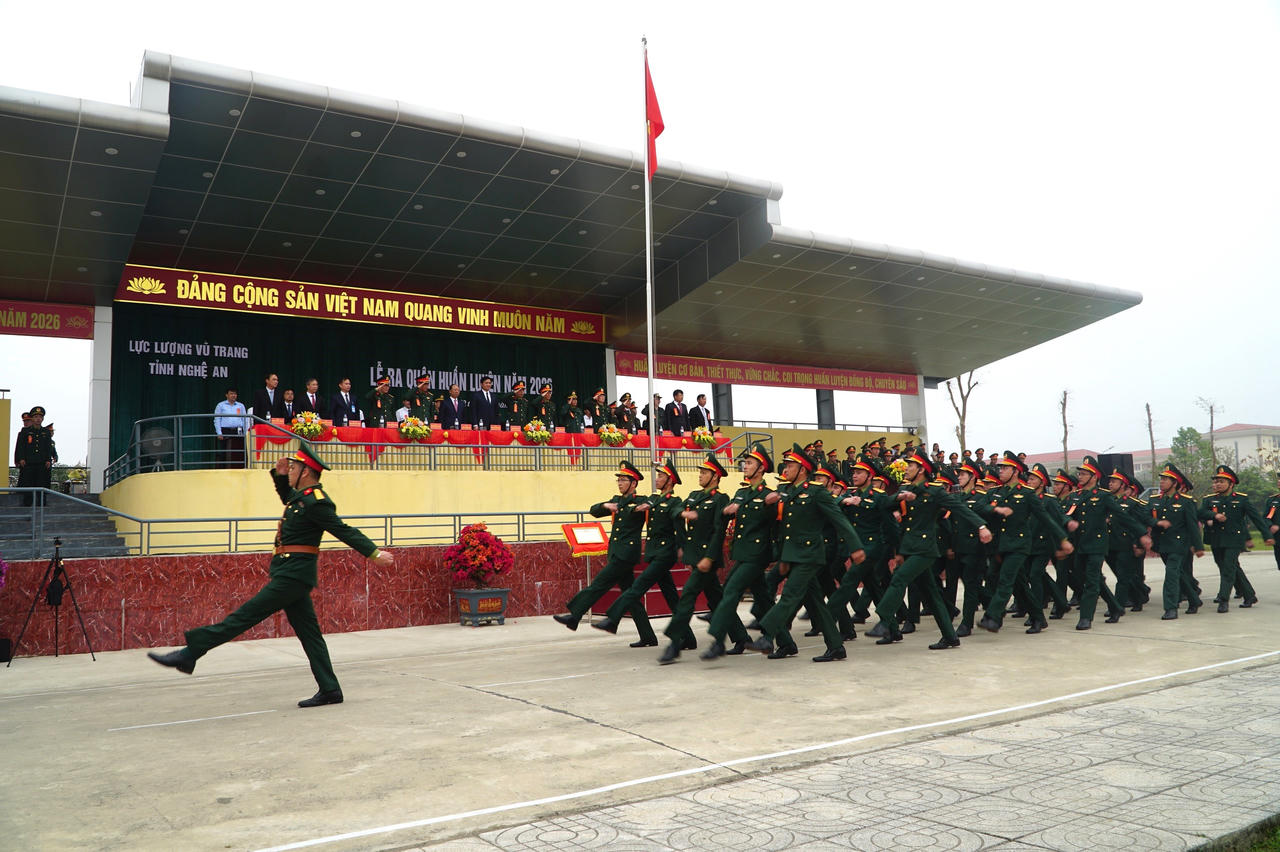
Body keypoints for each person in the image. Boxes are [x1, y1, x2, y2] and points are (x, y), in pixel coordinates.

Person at [148, 444, 395, 707]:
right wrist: (278, 476)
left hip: (293, 576)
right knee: (310, 635)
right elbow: (287, 496)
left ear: (307, 472)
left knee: (244, 616)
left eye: (294, 468)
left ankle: (190, 652)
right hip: (290, 574)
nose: (290, 471)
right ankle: (330, 689)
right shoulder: (302, 498)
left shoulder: (317, 502)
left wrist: (373, 553)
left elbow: (344, 530)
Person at [869, 448, 990, 650]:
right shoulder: (907, 489)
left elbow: (959, 508)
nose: (907, 469)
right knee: (932, 595)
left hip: (925, 548)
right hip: (910, 547)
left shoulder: (934, 491)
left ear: (922, 469)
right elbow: (884, 503)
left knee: (899, 577)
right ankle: (950, 636)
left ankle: (884, 620)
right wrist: (900, 498)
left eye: (911, 466)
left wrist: (981, 526)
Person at [592, 458, 685, 646]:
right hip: (654, 553)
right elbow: (644, 503)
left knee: (636, 589)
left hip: (664, 554)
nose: (657, 479)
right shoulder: (655, 499)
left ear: (670, 481)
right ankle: (685, 638)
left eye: (660, 476)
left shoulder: (673, 501)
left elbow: (678, 525)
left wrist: (683, 549)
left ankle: (612, 618)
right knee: (671, 596)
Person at [554, 461, 655, 632]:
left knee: (599, 584)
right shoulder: (616, 501)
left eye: (624, 480)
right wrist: (605, 505)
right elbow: (593, 510)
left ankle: (574, 615)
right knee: (631, 596)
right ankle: (647, 636)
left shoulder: (640, 500)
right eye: (619, 480)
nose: (620, 483)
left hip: (627, 554)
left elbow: (655, 500)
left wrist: (644, 506)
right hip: (616, 552)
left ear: (634, 483)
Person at [978, 452, 1071, 634]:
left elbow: (1046, 519)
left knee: (1005, 580)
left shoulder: (1027, 494)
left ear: (1016, 471)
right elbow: (978, 507)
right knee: (1018, 584)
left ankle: (992, 617)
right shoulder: (995, 492)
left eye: (1005, 468)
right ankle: (1038, 618)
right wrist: (996, 509)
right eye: (1001, 468)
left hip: (1019, 545)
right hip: (1000, 546)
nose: (1001, 471)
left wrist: (1063, 539)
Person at [702, 444, 779, 659]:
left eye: (751, 463)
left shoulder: (770, 494)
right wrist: (726, 512)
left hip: (757, 554)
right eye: (745, 462)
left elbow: (775, 523)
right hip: (742, 553)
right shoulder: (741, 492)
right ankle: (784, 642)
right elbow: (728, 513)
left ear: (761, 468)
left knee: (730, 591)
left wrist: (770, 505)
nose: (745, 466)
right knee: (763, 599)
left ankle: (717, 639)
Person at [1064, 455, 1152, 630]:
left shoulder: (1104, 496)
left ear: (1094, 476)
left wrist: (1142, 534)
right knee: (1090, 579)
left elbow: (1122, 516)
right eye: (1079, 473)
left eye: (1084, 473)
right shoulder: (1075, 496)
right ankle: (1115, 607)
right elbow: (1064, 514)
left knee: (1091, 581)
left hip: (1097, 545)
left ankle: (1086, 618)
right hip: (1080, 544)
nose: (1080, 476)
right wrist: (1067, 523)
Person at [658, 454, 730, 664]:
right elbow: (676, 510)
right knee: (717, 599)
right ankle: (737, 638)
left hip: (707, 557)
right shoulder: (693, 495)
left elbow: (719, 531)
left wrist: (709, 558)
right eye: (700, 472)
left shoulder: (720, 498)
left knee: (688, 596)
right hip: (695, 556)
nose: (700, 476)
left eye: (705, 473)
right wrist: (682, 514)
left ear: (715, 477)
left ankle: (674, 643)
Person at [1199, 464, 1269, 611]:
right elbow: (1200, 513)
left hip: (1234, 540)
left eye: (1221, 481)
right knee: (1228, 567)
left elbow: (1256, 518)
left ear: (1231, 484)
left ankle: (1224, 600)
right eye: (1215, 481)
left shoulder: (1242, 499)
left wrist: (1266, 535)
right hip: (1216, 539)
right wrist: (1214, 515)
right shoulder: (1209, 500)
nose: (1217, 484)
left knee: (1228, 569)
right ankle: (1249, 595)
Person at [1150, 463, 1205, 620]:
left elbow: (1192, 526)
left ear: (1175, 483)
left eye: (1166, 480)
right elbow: (1145, 517)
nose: (1162, 482)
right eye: (1161, 479)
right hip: (1162, 543)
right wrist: (1154, 526)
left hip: (1179, 544)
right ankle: (1194, 599)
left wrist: (1198, 546)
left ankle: (1170, 608)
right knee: (1179, 573)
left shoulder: (1186, 501)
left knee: (1171, 574)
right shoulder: (1155, 500)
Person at [15, 405, 57, 506]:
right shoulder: (25, 432)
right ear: (32, 419)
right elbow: (20, 446)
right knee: (28, 486)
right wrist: (20, 458)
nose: (38, 419)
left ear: (42, 419)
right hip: (28, 463)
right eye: (35, 417)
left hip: (42, 464)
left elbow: (48, 448)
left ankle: (41, 506)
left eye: (40, 417)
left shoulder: (46, 432)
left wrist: (48, 460)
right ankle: (27, 507)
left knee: (42, 485)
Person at [213, 389, 249, 469]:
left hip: (238, 430)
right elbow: (217, 419)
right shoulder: (221, 405)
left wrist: (245, 432)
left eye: (235, 394)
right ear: (227, 395)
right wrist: (219, 432)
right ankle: (223, 469)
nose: (233, 395)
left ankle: (238, 467)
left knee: (238, 451)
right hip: (225, 430)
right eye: (231, 394)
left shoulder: (240, 405)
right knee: (224, 451)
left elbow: (244, 419)